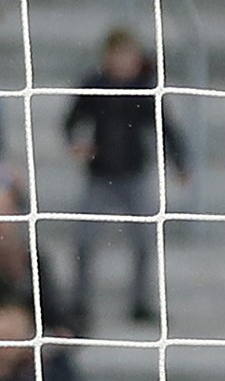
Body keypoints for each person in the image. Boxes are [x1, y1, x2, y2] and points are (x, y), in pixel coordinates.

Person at [63, 27, 189, 328]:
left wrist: (180, 163)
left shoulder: (145, 90)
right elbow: (71, 122)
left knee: (146, 241)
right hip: (100, 177)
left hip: (133, 176)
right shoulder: (94, 86)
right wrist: (77, 143)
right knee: (84, 241)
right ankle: (79, 302)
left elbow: (167, 128)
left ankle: (140, 301)